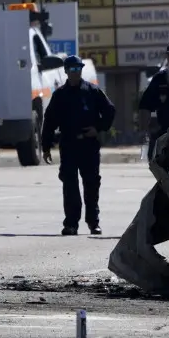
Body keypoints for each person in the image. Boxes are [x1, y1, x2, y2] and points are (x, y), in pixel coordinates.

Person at [40, 56, 116, 236]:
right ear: (66, 71)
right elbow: (49, 121)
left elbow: (109, 110)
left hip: (89, 145)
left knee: (91, 185)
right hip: (68, 145)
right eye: (72, 69)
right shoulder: (60, 95)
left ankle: (93, 222)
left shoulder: (92, 91)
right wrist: (45, 146)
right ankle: (71, 224)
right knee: (70, 185)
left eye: (78, 69)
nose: (76, 72)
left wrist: (98, 129)